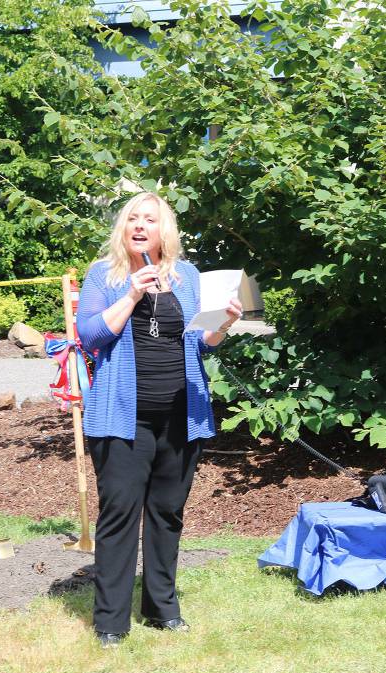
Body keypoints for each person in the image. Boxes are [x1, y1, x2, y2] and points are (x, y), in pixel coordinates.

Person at [76, 192, 242, 648]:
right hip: (121, 419)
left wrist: (225, 322)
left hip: (180, 416)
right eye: (132, 218)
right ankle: (111, 621)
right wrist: (131, 293)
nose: (140, 226)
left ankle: (162, 608)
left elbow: (202, 343)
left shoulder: (186, 276)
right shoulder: (104, 275)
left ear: (164, 229)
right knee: (120, 516)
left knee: (167, 513)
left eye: (150, 219)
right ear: (122, 227)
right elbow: (89, 336)